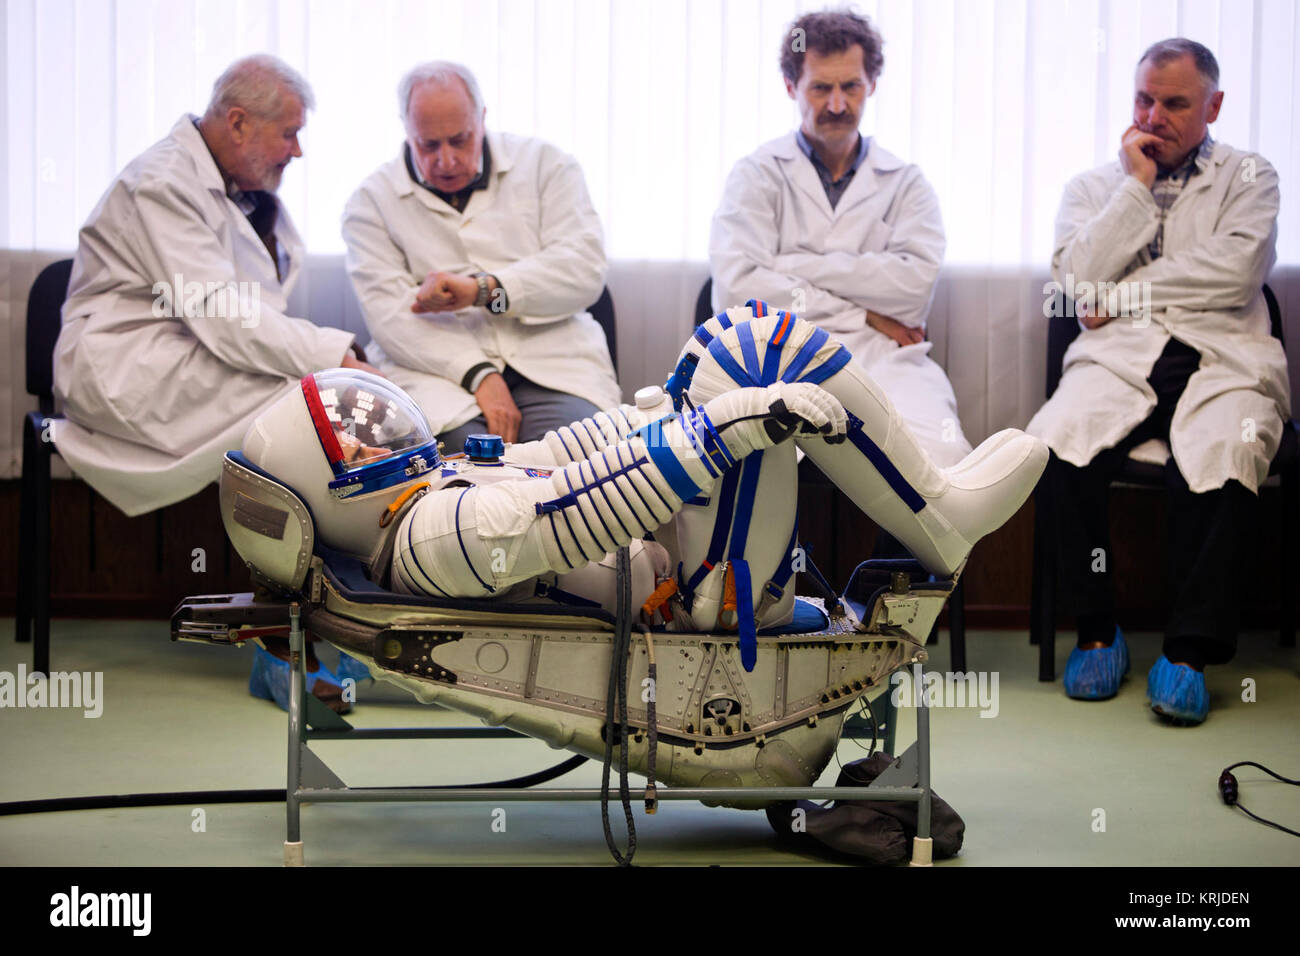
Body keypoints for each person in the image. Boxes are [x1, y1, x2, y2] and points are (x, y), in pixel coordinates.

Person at [237, 303, 1047, 707]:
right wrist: (718, 432)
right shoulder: (430, 538)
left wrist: (664, 419)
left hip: (683, 566)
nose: (378, 441)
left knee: (726, 343)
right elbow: (578, 511)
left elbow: (567, 457)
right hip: (696, 609)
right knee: (758, 355)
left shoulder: (428, 495)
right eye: (355, 446)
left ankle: (941, 512)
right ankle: (943, 516)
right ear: (329, 490)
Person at [1027, 39, 1288, 724]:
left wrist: (1125, 293)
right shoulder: (1095, 187)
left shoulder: (1251, 177)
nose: (1155, 115)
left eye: (1175, 103)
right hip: (1118, 359)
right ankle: (1095, 627)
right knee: (1054, 447)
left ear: (1214, 105)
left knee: (1227, 453)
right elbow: (1077, 281)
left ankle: (1189, 652)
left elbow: (1236, 273)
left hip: (1222, 355)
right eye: (1145, 99)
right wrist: (1133, 190)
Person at [53, 54, 375, 518]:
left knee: (313, 403)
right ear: (239, 123)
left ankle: (311, 569)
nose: (298, 151)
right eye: (289, 133)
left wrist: (330, 360)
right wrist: (336, 356)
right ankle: (314, 569)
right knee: (310, 406)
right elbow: (222, 312)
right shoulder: (162, 183)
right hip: (126, 361)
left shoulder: (235, 189)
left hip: (187, 347)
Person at [709, 8, 970, 469]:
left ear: (871, 84)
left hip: (885, 359)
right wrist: (865, 312)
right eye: (820, 87)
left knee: (943, 460)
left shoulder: (907, 183)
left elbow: (911, 294)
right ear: (791, 87)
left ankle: (892, 549)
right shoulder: (755, 175)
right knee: (746, 467)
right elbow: (735, 290)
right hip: (775, 357)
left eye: (850, 86)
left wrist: (790, 263)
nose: (836, 104)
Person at [342, 60, 620, 453]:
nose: (446, 160)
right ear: (406, 129)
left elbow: (583, 268)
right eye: (428, 145)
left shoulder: (547, 166)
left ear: (482, 118)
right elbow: (390, 316)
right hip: (439, 376)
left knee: (575, 459)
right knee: (457, 470)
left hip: (552, 362)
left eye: (459, 140)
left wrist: (483, 291)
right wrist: (479, 374)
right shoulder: (370, 202)